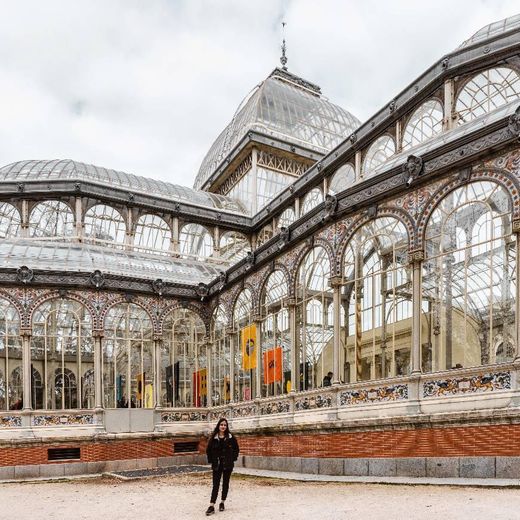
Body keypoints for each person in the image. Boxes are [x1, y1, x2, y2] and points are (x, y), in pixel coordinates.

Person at [205, 418, 239, 516]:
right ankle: (211, 505)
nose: (223, 426)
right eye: (221, 425)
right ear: (218, 426)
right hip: (217, 465)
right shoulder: (213, 438)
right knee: (215, 485)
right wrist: (212, 461)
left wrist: (233, 458)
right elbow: (208, 450)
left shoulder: (231, 437)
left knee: (225, 484)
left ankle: (222, 502)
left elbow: (236, 449)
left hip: (227, 465)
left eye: (225, 425)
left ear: (227, 426)